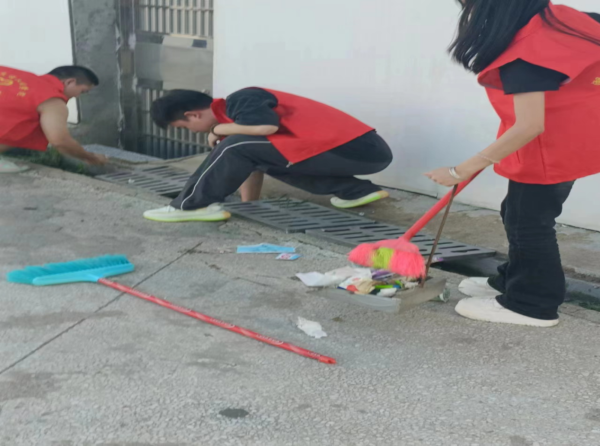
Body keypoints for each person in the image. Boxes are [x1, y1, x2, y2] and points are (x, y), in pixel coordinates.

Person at [425, 1, 600, 327]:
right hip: (580, 135)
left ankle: (532, 302)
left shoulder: (528, 54)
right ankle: (513, 279)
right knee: (516, 212)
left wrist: (459, 171)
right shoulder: (564, 21)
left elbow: (529, 126)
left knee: (529, 222)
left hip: (551, 148)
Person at [143, 88, 393, 222]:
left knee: (235, 145)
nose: (193, 132)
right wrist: (249, 205)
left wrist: (217, 130)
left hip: (357, 148)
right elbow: (250, 160)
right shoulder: (238, 123)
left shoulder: (241, 99)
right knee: (250, 151)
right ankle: (356, 191)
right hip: (359, 152)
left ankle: (190, 206)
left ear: (192, 115)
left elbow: (265, 127)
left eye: (184, 127)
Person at [0, 65, 107, 173]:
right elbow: (60, 141)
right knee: (34, 124)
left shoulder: (17, 75)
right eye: (82, 91)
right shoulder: (51, 99)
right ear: (70, 82)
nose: (77, 96)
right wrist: (90, 157)